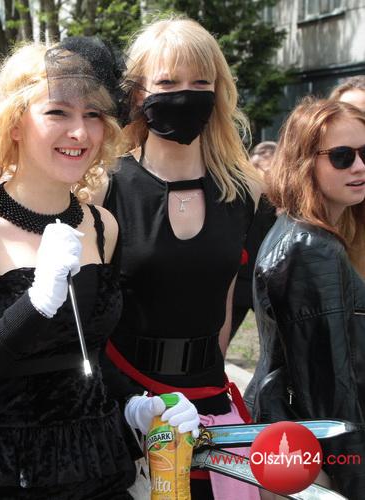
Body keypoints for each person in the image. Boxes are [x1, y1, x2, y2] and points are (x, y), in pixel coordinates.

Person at [0, 38, 200, 499]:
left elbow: (87, 354)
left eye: (93, 115)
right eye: (58, 113)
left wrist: (135, 404)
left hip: (96, 465)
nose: (80, 133)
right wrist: (35, 303)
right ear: (13, 124)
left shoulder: (103, 227)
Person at [88, 18, 262, 499]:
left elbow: (225, 302)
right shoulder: (104, 188)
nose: (185, 96)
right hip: (126, 406)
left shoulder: (244, 192)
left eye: (201, 83)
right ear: (137, 94)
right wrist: (130, 402)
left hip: (210, 402)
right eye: (167, 83)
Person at [245, 98, 365, 498]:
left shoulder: (308, 234)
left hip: (301, 446)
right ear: (304, 163)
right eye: (342, 157)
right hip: (310, 457)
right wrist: (354, 479)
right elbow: (329, 388)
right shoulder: (312, 248)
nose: (359, 166)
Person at [229, 141, 278, 340]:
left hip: (266, 282)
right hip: (239, 281)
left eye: (265, 169)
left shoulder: (281, 204)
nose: (259, 174)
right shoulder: (239, 196)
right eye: (254, 167)